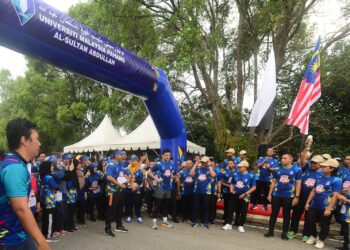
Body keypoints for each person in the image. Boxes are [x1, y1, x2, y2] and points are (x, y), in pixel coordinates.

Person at [0, 118, 50, 249]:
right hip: (9, 240)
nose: (39, 143)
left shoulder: (16, 163)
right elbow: (21, 209)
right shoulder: (14, 167)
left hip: (19, 234)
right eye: (37, 139)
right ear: (24, 140)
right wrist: (42, 241)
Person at [304, 159, 342, 249]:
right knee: (310, 220)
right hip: (314, 204)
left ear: (331, 169)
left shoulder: (337, 180)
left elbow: (335, 196)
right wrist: (308, 202)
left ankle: (321, 240)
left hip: (326, 205)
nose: (322, 167)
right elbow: (313, 190)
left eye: (325, 166)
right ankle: (313, 236)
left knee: (325, 223)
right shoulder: (320, 177)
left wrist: (329, 208)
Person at [264, 153, 302, 240]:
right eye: (282, 158)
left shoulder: (297, 169)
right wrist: (270, 194)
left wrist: (297, 196)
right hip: (277, 195)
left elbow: (298, 183)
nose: (282, 160)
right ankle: (270, 231)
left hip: (288, 196)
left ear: (291, 160)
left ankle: (284, 233)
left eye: (285, 158)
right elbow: (273, 182)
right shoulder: (277, 169)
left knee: (286, 215)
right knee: (274, 214)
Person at [288, 155, 324, 241]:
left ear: (320, 164)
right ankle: (293, 231)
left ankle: (306, 234)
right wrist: (307, 146)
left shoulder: (322, 174)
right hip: (300, 196)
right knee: (296, 214)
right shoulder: (306, 168)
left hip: (312, 199)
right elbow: (303, 159)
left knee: (309, 217)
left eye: (315, 163)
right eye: (312, 162)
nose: (313, 164)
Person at [148, 150, 175, 229]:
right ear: (162, 156)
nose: (168, 157)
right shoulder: (159, 164)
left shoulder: (172, 164)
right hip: (160, 187)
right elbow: (149, 172)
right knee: (157, 205)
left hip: (168, 187)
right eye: (166, 155)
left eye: (169, 155)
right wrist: (156, 179)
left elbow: (171, 174)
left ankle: (165, 221)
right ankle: (154, 223)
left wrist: (173, 176)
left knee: (166, 205)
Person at [104, 151, 129, 237]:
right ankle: (107, 229)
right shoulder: (110, 164)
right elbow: (109, 177)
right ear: (116, 155)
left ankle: (119, 225)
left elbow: (123, 174)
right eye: (122, 155)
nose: (124, 156)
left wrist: (126, 179)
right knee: (111, 210)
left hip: (120, 191)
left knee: (119, 209)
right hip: (112, 191)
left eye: (124, 154)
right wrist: (120, 185)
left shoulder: (121, 164)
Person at [229, 160, 256, 233]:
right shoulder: (235, 174)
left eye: (240, 167)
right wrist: (231, 190)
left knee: (243, 210)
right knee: (231, 208)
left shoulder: (251, 176)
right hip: (235, 194)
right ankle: (228, 224)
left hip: (245, 196)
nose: (239, 168)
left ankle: (241, 225)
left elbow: (253, 187)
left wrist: (245, 194)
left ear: (245, 167)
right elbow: (232, 183)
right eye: (238, 166)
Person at [190, 156, 216, 229]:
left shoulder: (210, 169)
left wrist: (210, 165)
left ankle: (204, 222)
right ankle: (194, 222)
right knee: (195, 207)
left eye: (205, 162)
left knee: (205, 208)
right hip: (197, 191)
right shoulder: (198, 169)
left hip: (206, 192)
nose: (204, 163)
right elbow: (191, 173)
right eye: (203, 162)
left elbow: (213, 175)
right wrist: (196, 164)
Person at [39, 161, 59, 242]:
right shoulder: (49, 177)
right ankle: (48, 236)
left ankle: (44, 233)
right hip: (49, 200)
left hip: (44, 198)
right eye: (51, 166)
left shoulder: (43, 176)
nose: (53, 167)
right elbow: (56, 186)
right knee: (50, 218)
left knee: (45, 217)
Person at [125, 155, 145, 224]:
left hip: (136, 190)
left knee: (137, 203)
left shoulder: (139, 170)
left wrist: (135, 186)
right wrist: (128, 182)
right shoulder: (127, 169)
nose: (131, 162)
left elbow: (140, 180)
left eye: (133, 161)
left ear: (136, 161)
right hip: (128, 189)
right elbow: (124, 179)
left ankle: (138, 215)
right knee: (128, 203)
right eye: (130, 160)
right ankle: (129, 215)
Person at [218, 159, 236, 230]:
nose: (230, 164)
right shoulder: (225, 171)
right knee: (226, 207)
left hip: (234, 192)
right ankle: (226, 221)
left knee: (232, 207)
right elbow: (221, 182)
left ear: (234, 164)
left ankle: (232, 221)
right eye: (229, 163)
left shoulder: (237, 172)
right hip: (226, 191)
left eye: (231, 163)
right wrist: (229, 186)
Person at [336, 174, 350, 250]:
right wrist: (341, 193)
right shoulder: (347, 180)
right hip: (345, 210)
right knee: (346, 228)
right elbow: (342, 193)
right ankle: (346, 245)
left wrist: (345, 200)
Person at [209, 157, 221, 224]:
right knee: (206, 205)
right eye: (209, 161)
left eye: (211, 161)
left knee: (212, 205)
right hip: (206, 190)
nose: (210, 163)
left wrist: (219, 192)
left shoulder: (217, 170)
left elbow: (219, 182)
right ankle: (205, 218)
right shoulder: (206, 168)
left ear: (214, 163)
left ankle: (212, 219)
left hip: (214, 190)